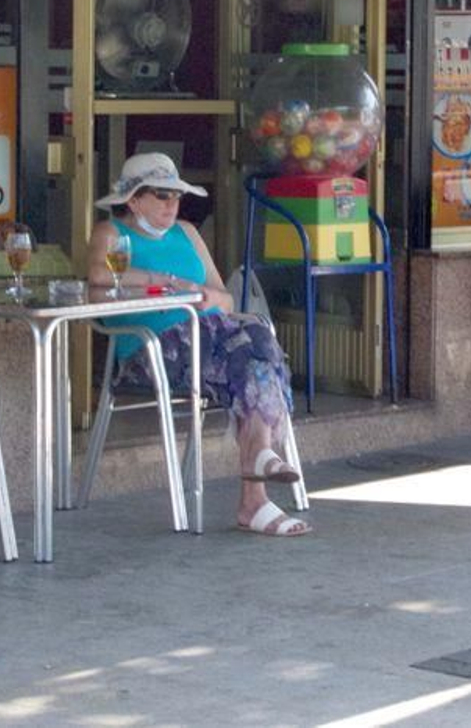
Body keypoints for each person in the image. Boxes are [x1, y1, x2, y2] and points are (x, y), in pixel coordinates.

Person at [87, 152, 310, 537]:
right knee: (249, 354)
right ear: (134, 199)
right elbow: (97, 278)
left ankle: (257, 469)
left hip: (211, 343)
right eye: (161, 195)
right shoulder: (111, 234)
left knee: (256, 340)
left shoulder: (188, 232)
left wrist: (204, 296)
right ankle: (254, 494)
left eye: (176, 195)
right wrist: (172, 282)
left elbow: (224, 296)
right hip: (152, 350)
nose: (172, 205)